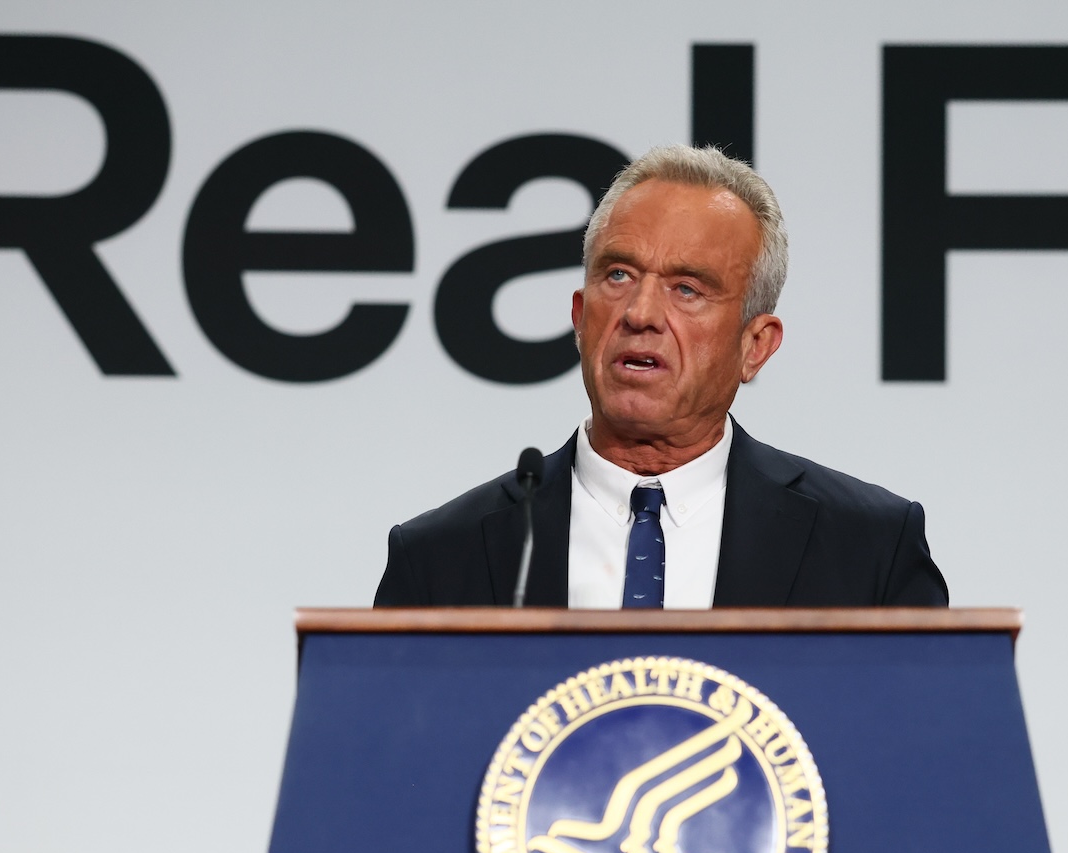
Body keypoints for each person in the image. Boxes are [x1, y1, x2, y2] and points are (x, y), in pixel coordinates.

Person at [373, 145, 947, 608]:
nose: (641, 313)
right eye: (618, 275)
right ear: (579, 316)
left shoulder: (868, 551)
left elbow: (921, 747)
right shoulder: (441, 560)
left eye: (687, 288)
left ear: (756, 346)